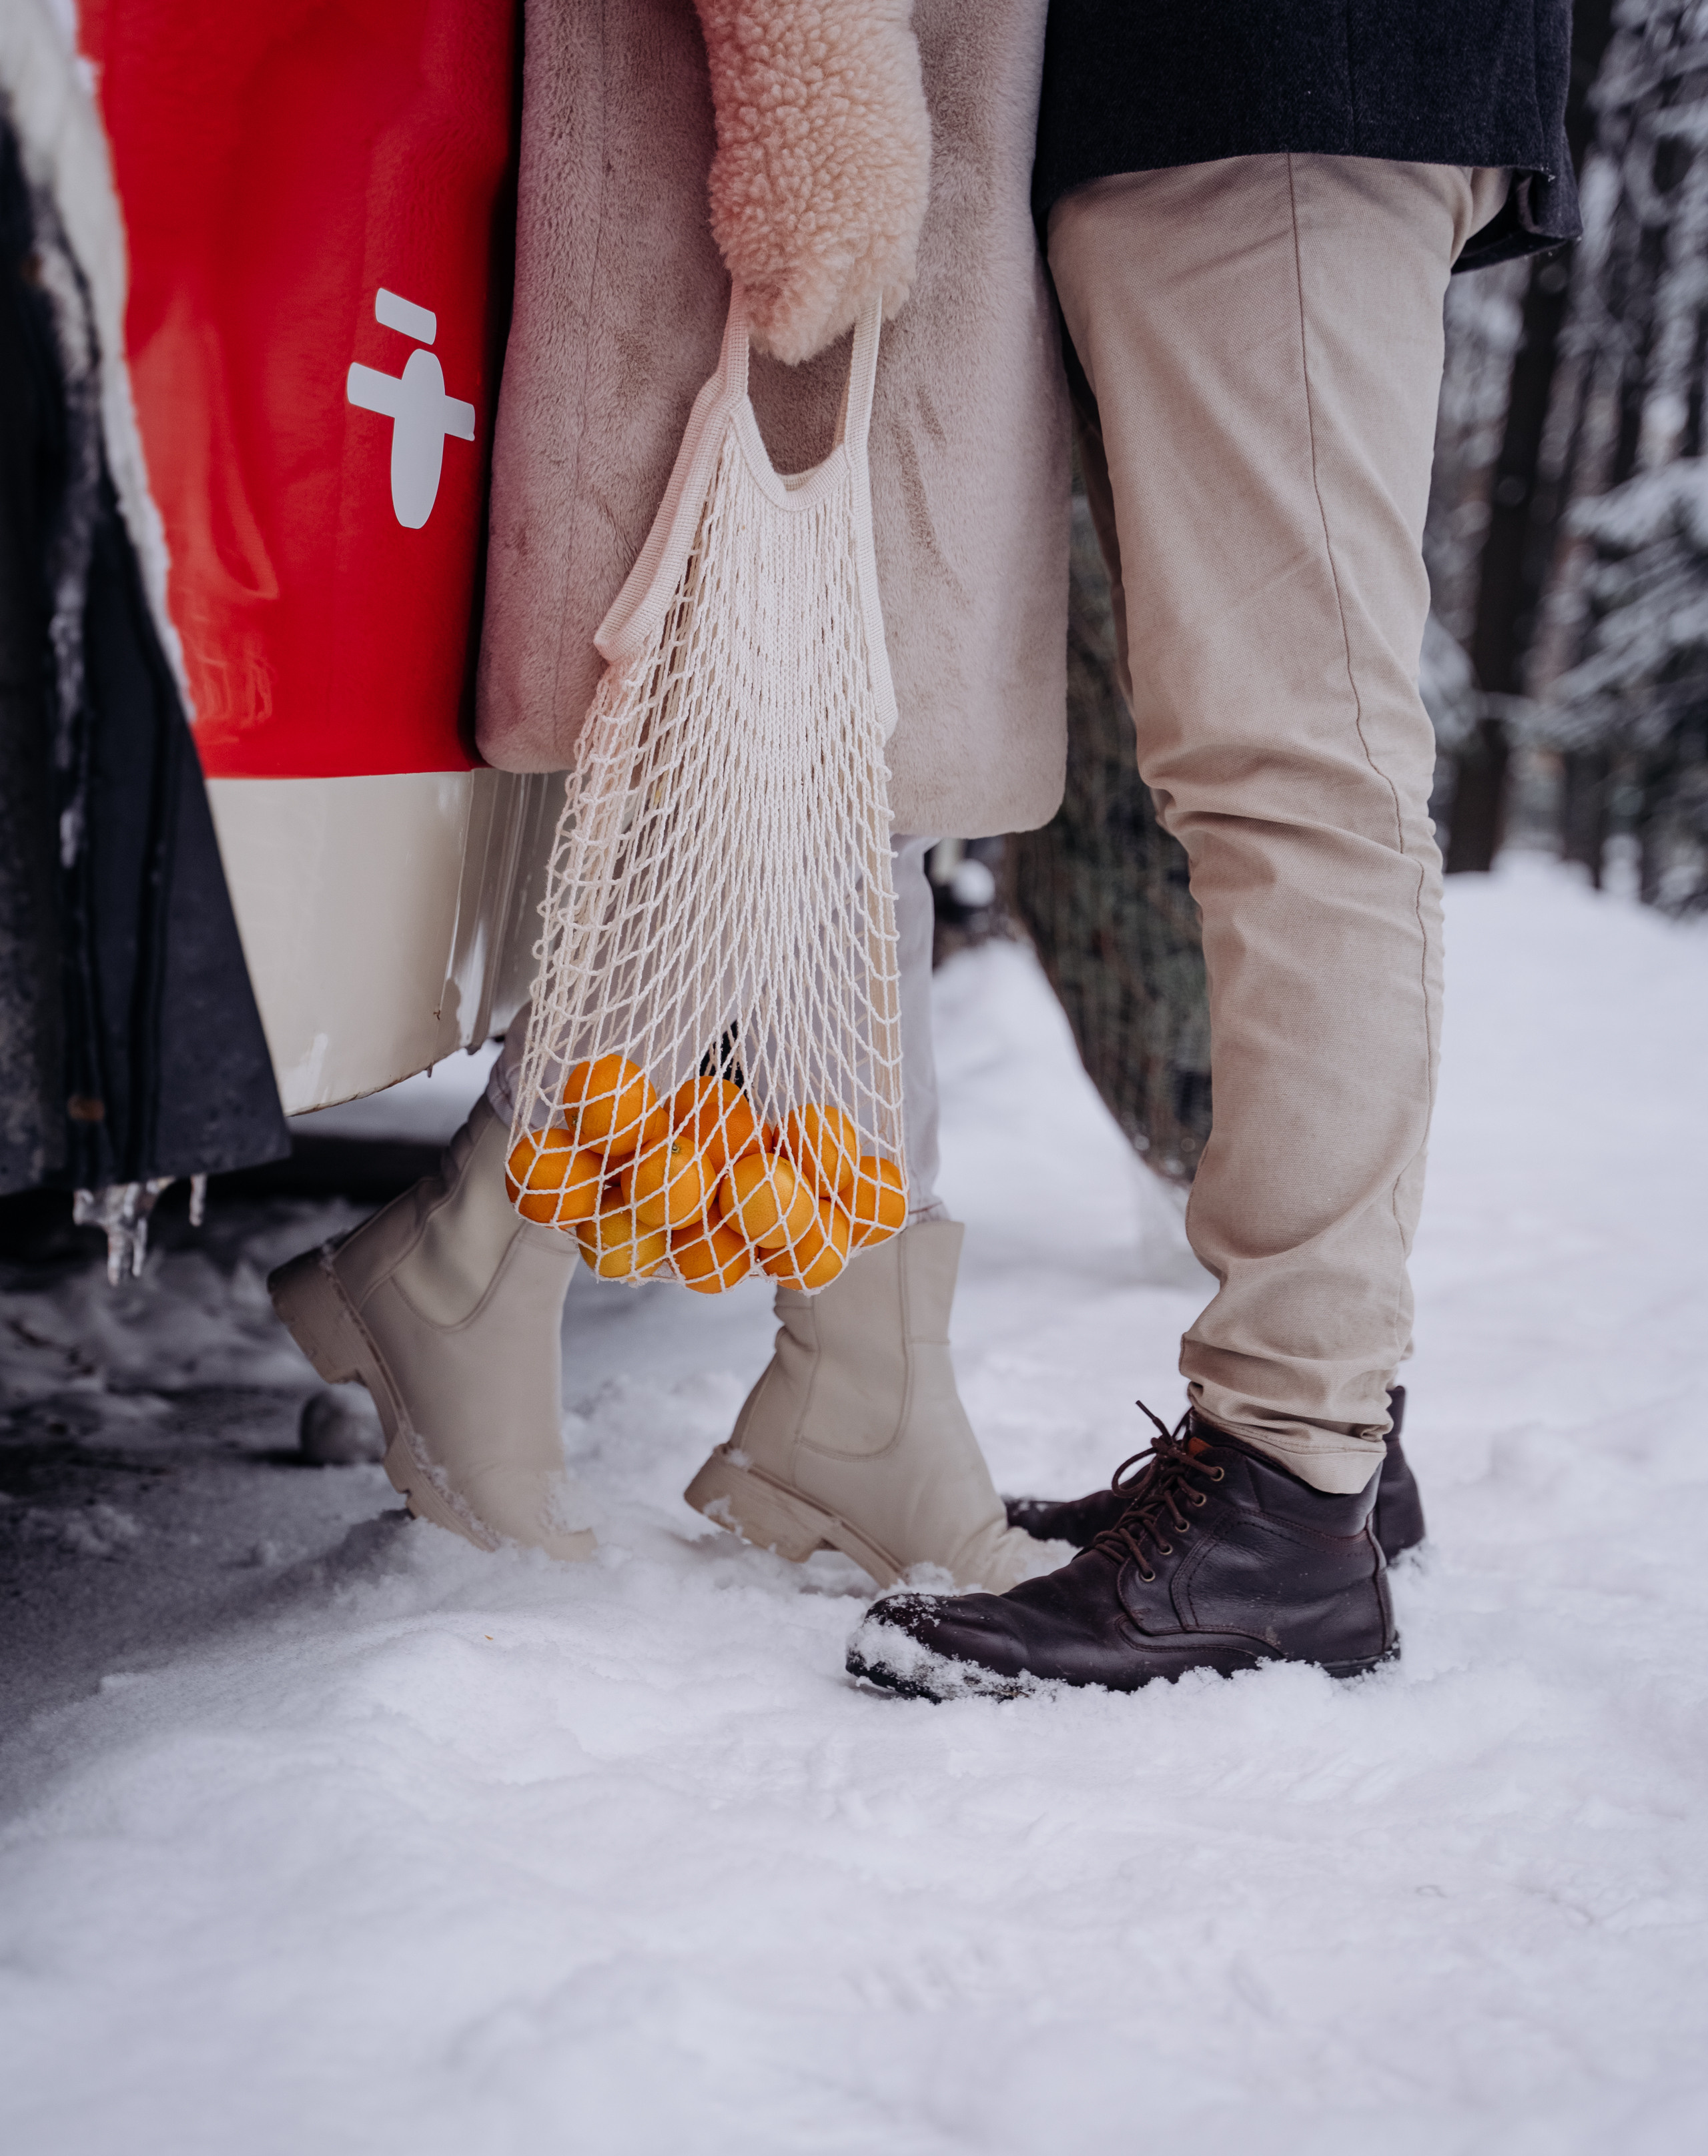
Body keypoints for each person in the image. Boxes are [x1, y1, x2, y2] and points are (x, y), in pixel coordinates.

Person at [269, 0, 1074, 1595]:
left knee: (832, 752)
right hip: (800, 121)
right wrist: (824, 131)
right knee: (747, 709)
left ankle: (799, 1360)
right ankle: (566, 1296)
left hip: (881, 130)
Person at [847, 0, 1581, 1696]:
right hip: (1205, 89)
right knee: (1259, 766)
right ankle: (1327, 1447)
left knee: (1294, 770)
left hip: (1279, 76)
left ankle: (1288, 1488)